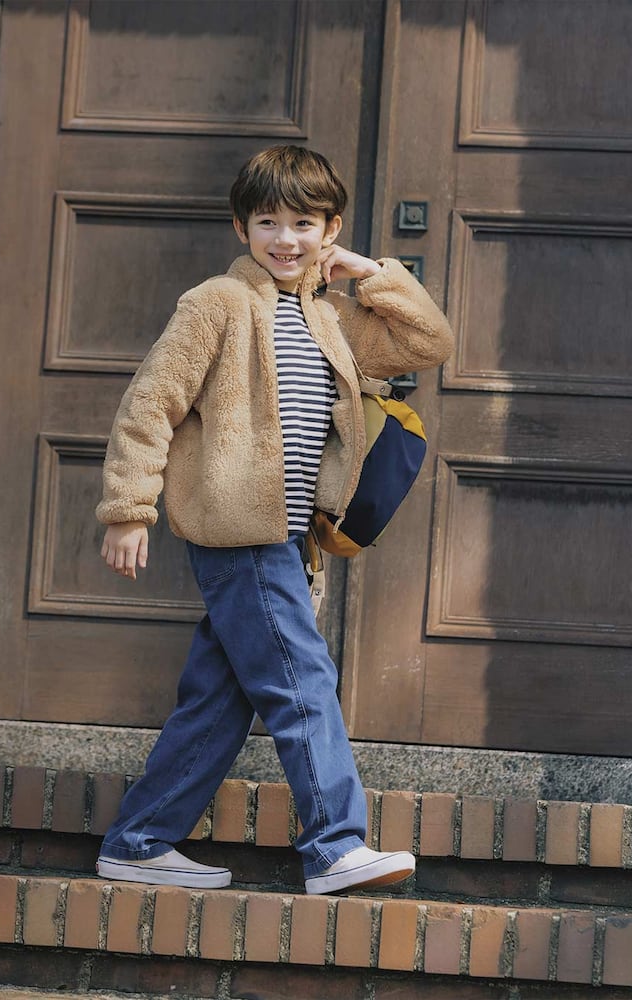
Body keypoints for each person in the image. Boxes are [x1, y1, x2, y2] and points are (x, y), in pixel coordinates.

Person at [91, 145, 454, 895]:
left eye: (304, 223)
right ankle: (333, 846)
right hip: (240, 534)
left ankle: (139, 839)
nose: (286, 239)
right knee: (302, 682)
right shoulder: (215, 305)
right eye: (268, 223)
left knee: (219, 702)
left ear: (330, 228)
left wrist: (370, 273)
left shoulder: (330, 317)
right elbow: (150, 404)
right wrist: (130, 509)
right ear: (241, 227)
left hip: (288, 539)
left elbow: (429, 343)